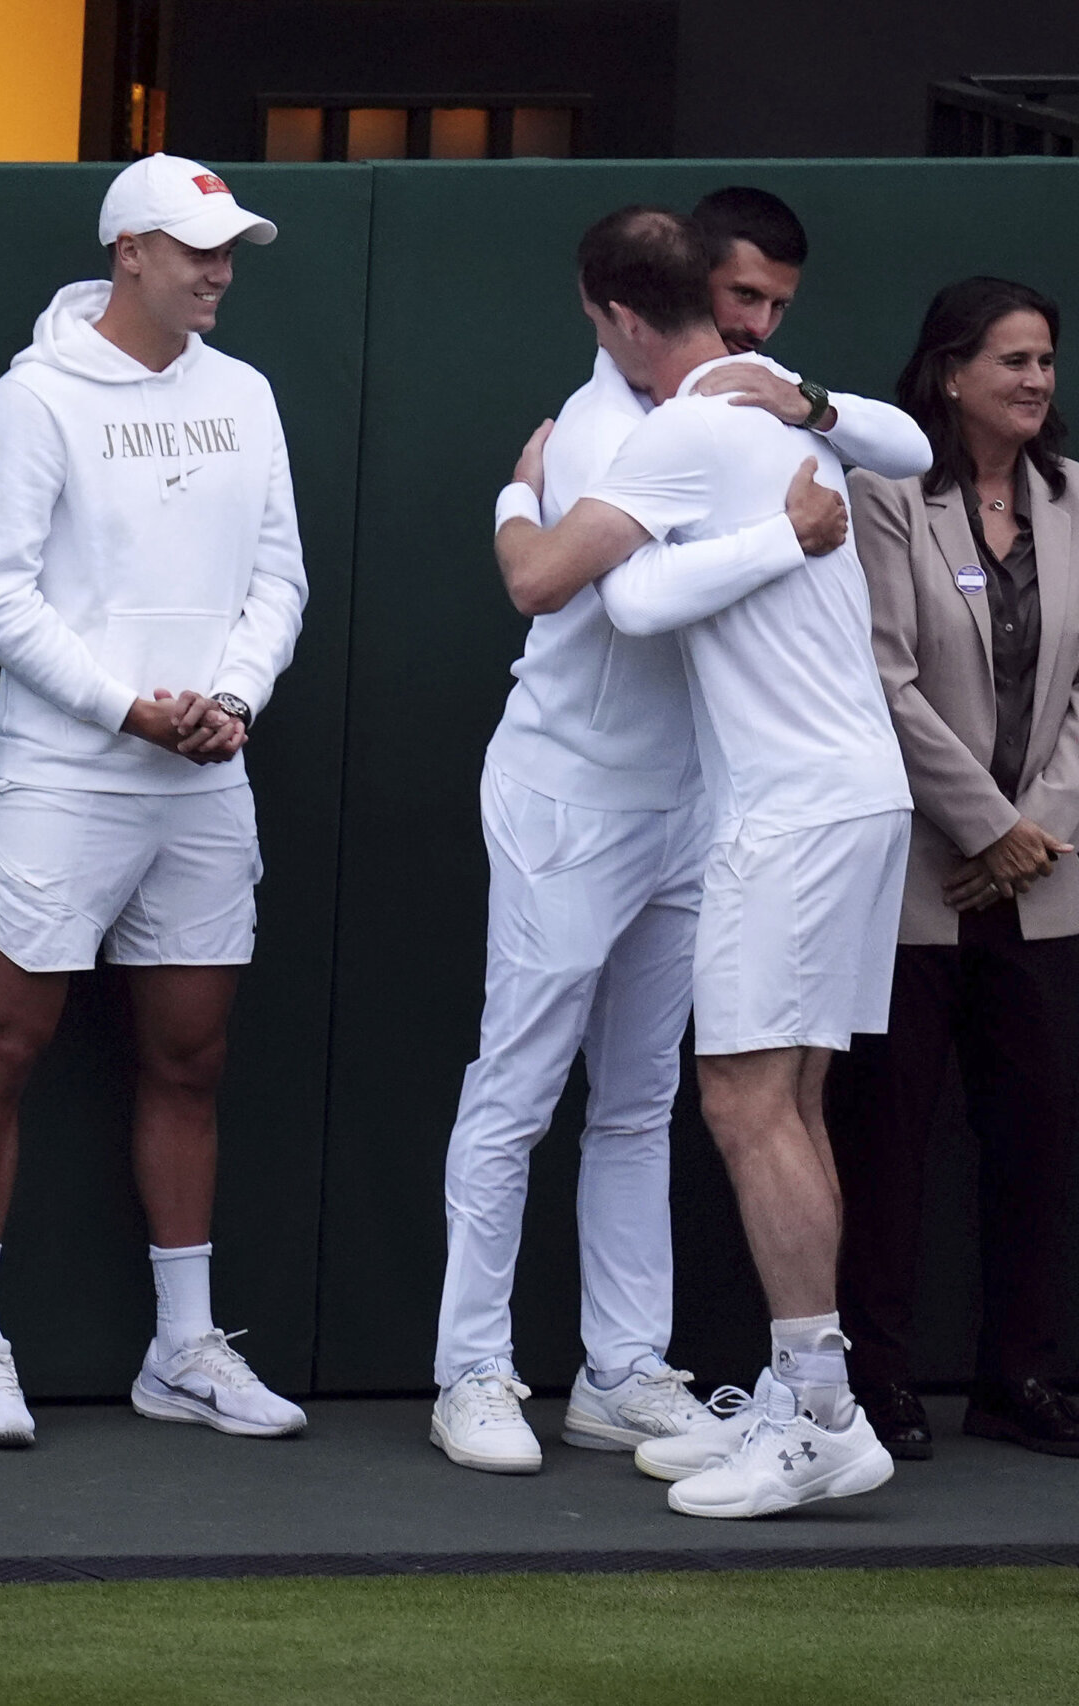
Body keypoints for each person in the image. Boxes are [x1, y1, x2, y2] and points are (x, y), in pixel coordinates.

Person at [431, 192, 929, 1476]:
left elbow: (906, 444)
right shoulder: (606, 429)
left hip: (711, 805)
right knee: (519, 1090)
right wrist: (517, 488)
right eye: (739, 305)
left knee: (654, 1097)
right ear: (639, 312)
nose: (757, 327)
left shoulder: (747, 396)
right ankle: (473, 1369)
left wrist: (812, 412)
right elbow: (581, 590)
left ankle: (620, 1369)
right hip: (570, 797)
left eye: (766, 310)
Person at [0, 154, 308, 1447]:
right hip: (66, 777)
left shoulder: (246, 395)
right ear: (127, 252)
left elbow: (278, 578)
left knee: (191, 1056)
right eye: (196, 247)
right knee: (4, 1048)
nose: (218, 270)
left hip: (209, 776)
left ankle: (184, 1349)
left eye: (230, 250)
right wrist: (125, 707)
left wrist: (233, 701)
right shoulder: (31, 401)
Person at [827, 278, 1079, 1462]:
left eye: (1047, 361)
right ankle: (877, 1376)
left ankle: (1020, 1374)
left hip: (1042, 881)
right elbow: (882, 676)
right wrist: (979, 824)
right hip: (917, 878)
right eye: (1012, 360)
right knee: (887, 1143)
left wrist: (1033, 831)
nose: (1036, 382)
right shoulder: (883, 494)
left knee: (1037, 1137)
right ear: (949, 373)